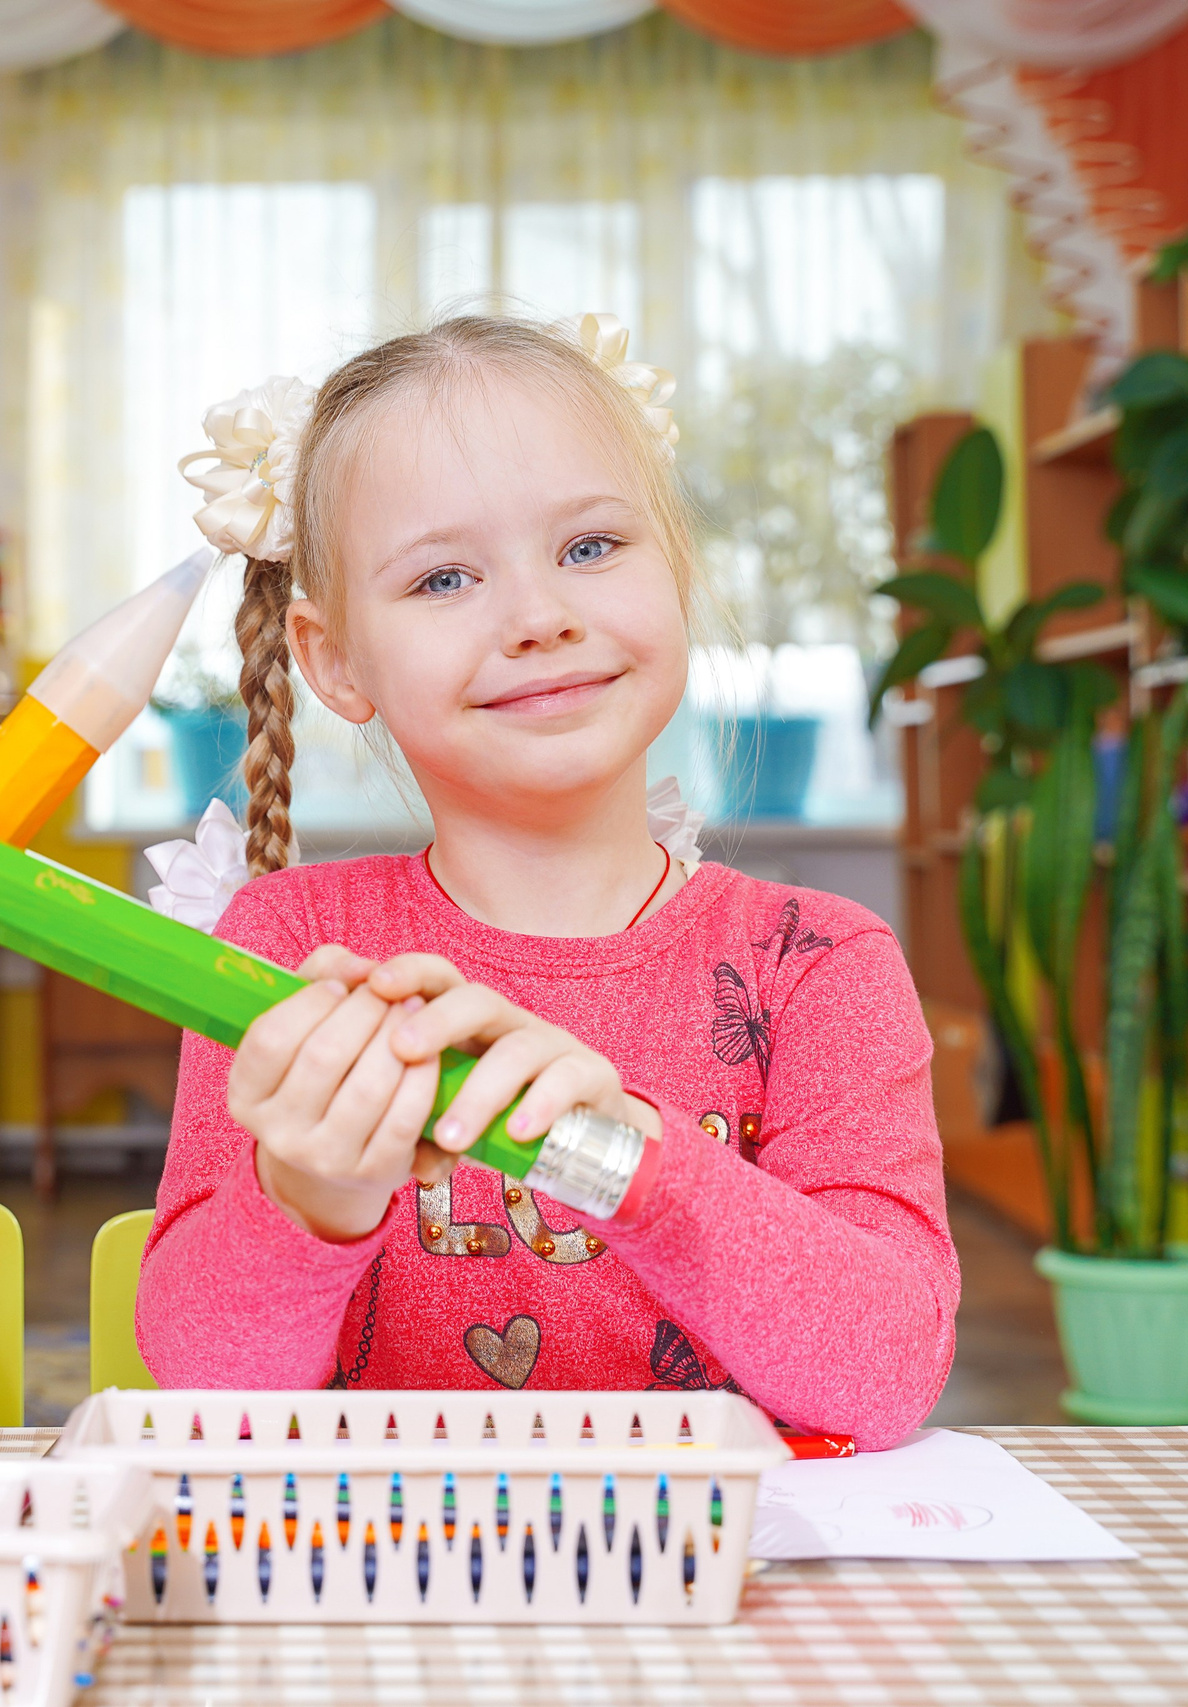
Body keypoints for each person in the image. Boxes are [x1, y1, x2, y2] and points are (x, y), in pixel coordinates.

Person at [139, 316, 954, 1449]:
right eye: (442, 577)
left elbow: (885, 1376)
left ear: (675, 567)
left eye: (588, 549)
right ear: (334, 660)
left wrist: (625, 1159)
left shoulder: (815, 964)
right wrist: (307, 1196)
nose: (538, 618)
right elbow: (203, 1388)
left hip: (724, 1605)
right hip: (393, 1597)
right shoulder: (289, 946)